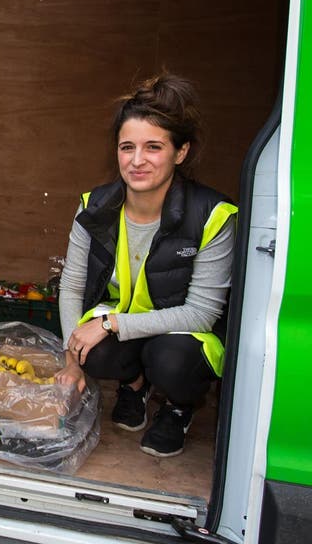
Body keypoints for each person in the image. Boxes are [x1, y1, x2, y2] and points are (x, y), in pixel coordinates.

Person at [55, 73, 236, 458]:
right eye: (127, 147)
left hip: (181, 335)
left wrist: (109, 323)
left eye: (153, 147)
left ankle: (178, 408)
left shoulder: (212, 216)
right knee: (91, 350)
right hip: (128, 328)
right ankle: (134, 385)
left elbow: (202, 315)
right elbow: (71, 286)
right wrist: (72, 361)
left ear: (180, 152)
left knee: (171, 360)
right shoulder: (94, 208)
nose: (137, 161)